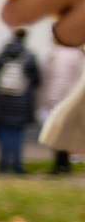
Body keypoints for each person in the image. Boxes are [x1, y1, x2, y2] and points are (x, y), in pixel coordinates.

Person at [0, 26, 42, 174]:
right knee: (17, 133)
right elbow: (37, 79)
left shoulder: (2, 55)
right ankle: (17, 166)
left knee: (4, 132)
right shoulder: (29, 56)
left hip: (3, 100)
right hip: (21, 101)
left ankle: (3, 165)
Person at [44, 41, 82, 174]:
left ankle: (60, 165)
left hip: (62, 101)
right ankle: (64, 164)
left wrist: (54, 100)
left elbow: (61, 80)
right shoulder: (77, 54)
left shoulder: (62, 55)